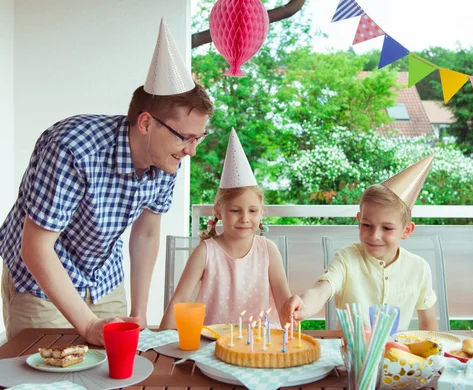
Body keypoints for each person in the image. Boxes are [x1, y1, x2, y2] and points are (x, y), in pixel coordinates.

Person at [0, 19, 213, 346]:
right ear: (146, 123)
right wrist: (87, 326)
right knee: (44, 377)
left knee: (114, 373)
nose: (192, 151)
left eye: (199, 138)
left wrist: (140, 311)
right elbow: (36, 247)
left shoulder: (169, 158)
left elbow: (146, 232)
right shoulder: (72, 148)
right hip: (41, 283)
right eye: (186, 137)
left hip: (104, 279)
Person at [282, 155, 438, 331]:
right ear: (358, 221)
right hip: (351, 355)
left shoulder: (419, 268)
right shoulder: (346, 259)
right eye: (367, 225)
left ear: (407, 230)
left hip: (395, 356)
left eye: (387, 228)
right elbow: (322, 290)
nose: (375, 235)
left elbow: (429, 325)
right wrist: (304, 305)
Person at [160, 129, 291, 329]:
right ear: (219, 211)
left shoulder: (268, 250)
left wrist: (295, 339)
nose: (245, 219)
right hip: (210, 347)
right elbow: (180, 301)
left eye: (253, 210)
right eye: (236, 210)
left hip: (259, 347)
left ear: (262, 211)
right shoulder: (206, 251)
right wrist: (161, 345)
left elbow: (284, 303)